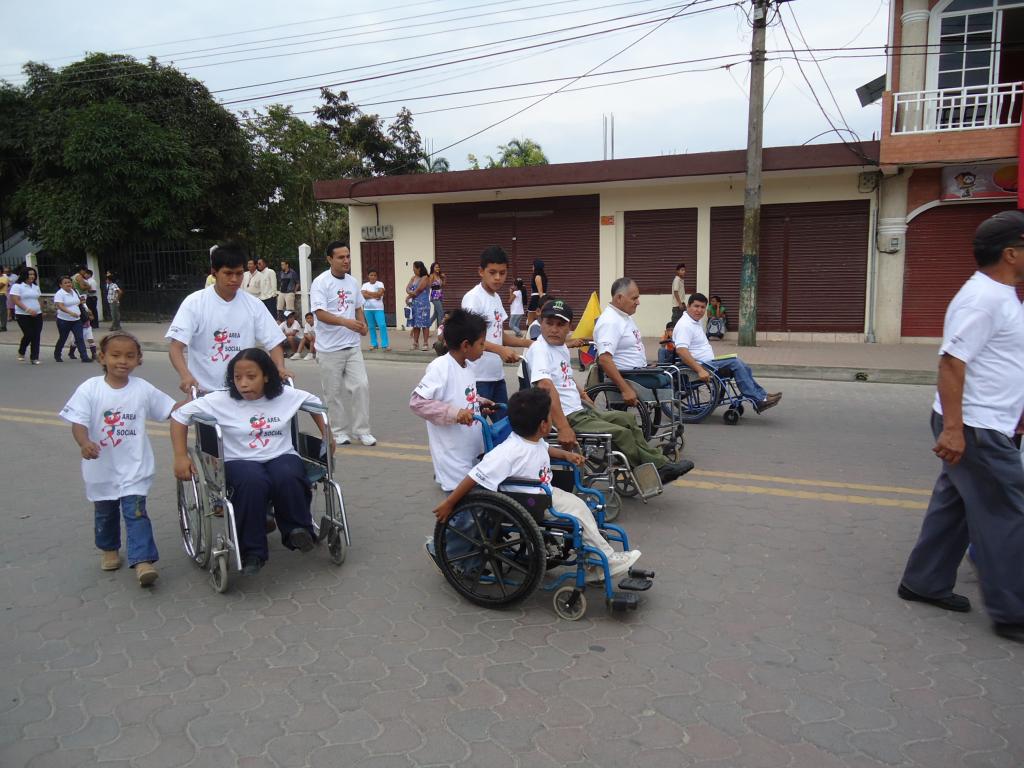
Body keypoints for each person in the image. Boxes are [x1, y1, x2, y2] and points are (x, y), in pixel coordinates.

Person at [898, 210, 1024, 643]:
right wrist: (953, 429)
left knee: (955, 506)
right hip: (976, 425)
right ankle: (1014, 611)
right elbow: (952, 362)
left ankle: (924, 581)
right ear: (1010, 253)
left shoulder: (1002, 294)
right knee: (1008, 513)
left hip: (984, 422)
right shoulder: (982, 298)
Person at [432, 386, 643, 581]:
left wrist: (564, 455)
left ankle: (595, 560)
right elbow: (475, 476)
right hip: (531, 503)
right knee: (579, 509)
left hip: (542, 495)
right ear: (543, 425)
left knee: (585, 506)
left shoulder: (532, 440)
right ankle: (604, 560)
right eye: (550, 417)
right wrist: (450, 503)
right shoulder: (507, 452)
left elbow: (543, 449)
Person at [171, 348, 331, 576]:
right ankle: (252, 552)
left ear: (266, 375)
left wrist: (328, 436)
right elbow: (179, 417)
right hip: (240, 460)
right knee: (252, 482)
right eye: (238, 378)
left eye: (251, 377)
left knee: (289, 474)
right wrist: (180, 456)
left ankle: (297, 529)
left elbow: (316, 404)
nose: (243, 384)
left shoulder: (284, 396)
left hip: (280, 455)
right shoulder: (221, 400)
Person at [526, 298, 691, 485]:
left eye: (560, 324)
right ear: (541, 323)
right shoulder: (540, 349)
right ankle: (655, 468)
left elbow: (565, 378)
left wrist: (582, 393)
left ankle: (655, 462)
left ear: (569, 327)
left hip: (580, 409)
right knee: (621, 433)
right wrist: (563, 428)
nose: (554, 329)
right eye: (549, 323)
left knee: (627, 419)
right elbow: (546, 387)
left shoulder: (560, 347)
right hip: (566, 416)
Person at [58, 332, 176, 587]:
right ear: (102, 357)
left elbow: (168, 409)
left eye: (129, 356)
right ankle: (109, 549)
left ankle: (143, 561)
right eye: (115, 355)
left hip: (134, 466)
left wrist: (195, 404)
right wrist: (84, 442)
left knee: (136, 513)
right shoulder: (90, 389)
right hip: (101, 468)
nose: (122, 361)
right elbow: (78, 422)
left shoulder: (142, 388)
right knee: (105, 513)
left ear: (138, 360)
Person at [166, 243, 289, 395]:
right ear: (214, 273)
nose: (234, 279)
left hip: (243, 393)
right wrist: (185, 376)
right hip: (205, 392)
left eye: (239, 273)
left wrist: (280, 367)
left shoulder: (253, 304)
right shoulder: (194, 303)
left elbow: (274, 342)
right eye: (228, 273)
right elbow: (175, 347)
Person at [410, 309, 488, 493]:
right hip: (452, 451)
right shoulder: (441, 367)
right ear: (466, 345)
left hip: (471, 446)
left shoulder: (467, 366)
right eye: (482, 344)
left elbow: (461, 394)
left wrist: (480, 402)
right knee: (462, 505)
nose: (484, 349)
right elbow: (417, 403)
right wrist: (455, 413)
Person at [311, 241, 376, 446]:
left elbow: (358, 306)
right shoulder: (321, 282)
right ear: (330, 259)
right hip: (329, 349)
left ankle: (362, 431)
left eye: (348, 256)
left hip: (352, 345)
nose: (346, 260)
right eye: (341, 257)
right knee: (333, 392)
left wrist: (362, 324)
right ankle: (339, 432)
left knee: (361, 386)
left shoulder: (353, 282)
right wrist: (344, 322)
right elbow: (320, 314)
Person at [673, 293, 781, 413]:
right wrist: (700, 370)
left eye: (703, 307)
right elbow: (681, 351)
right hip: (701, 366)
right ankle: (758, 399)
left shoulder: (694, 321)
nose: (699, 310)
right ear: (688, 306)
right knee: (736, 363)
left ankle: (762, 395)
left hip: (709, 363)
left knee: (741, 363)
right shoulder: (685, 325)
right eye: (696, 306)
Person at [462, 246, 532, 407]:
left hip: (496, 376)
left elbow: (498, 333)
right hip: (478, 378)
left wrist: (526, 343)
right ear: (481, 271)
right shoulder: (473, 298)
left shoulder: (496, 297)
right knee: (476, 429)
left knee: (504, 428)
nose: (498, 278)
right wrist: (500, 350)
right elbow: (470, 338)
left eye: (502, 273)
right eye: (492, 272)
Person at [52, 275, 91, 363]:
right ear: (61, 285)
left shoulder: (74, 291)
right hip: (64, 320)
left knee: (79, 338)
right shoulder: (59, 293)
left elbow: (78, 302)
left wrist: (83, 309)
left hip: (76, 320)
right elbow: (60, 306)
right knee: (63, 338)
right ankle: (57, 354)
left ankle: (84, 357)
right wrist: (70, 312)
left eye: (69, 282)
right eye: (65, 283)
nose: (68, 284)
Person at [11, 266, 43, 365]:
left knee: (36, 335)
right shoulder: (18, 286)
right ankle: (22, 351)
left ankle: (34, 357)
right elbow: (15, 300)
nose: (32, 276)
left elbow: (38, 298)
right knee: (29, 334)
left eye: (33, 274)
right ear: (24, 275)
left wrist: (40, 308)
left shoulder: (35, 286)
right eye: (30, 274)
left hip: (37, 314)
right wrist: (27, 309)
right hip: (23, 314)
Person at [361, 269, 390, 351]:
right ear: (368, 276)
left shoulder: (380, 284)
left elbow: (380, 293)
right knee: (371, 327)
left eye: (374, 275)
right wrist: (374, 295)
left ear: (377, 276)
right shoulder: (365, 285)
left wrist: (368, 293)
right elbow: (363, 295)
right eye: (371, 275)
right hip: (367, 309)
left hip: (378, 309)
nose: (373, 277)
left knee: (382, 325)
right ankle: (374, 344)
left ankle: (385, 344)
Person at [405, 261, 431, 350]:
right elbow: (407, 288)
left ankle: (425, 343)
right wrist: (409, 293)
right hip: (414, 304)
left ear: (418, 268)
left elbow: (419, 289)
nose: (413, 269)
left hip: (423, 304)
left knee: (424, 324)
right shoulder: (413, 278)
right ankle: (415, 343)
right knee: (415, 324)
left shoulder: (425, 277)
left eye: (414, 268)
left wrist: (409, 296)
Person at [526, 259, 549, 326]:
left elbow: (540, 291)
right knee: (538, 319)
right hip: (541, 298)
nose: (532, 268)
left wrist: (542, 302)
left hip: (536, 299)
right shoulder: (544, 277)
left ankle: (529, 334)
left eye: (533, 266)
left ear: (536, 267)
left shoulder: (537, 277)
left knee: (530, 320)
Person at [428, 262, 446, 330]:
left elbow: (443, 284)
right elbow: (429, 286)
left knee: (435, 314)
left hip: (440, 295)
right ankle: (440, 331)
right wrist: (432, 281)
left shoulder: (439, 276)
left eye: (438, 267)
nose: (437, 268)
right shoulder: (432, 276)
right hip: (434, 295)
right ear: (433, 268)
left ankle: (426, 327)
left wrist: (444, 278)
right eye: (436, 267)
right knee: (441, 312)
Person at [0, 266, 8, 331]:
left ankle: (3, 326)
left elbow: (0, 286)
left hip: (2, 296)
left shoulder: (4, 278)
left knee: (2, 311)